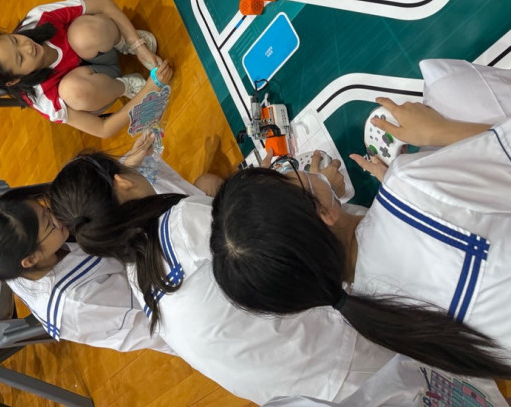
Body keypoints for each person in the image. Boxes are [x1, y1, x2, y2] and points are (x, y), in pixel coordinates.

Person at [210, 58, 511, 406]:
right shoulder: (412, 188)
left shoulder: (379, 324)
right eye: (289, 174)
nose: (295, 168)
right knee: (451, 87)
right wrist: (438, 134)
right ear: (323, 213)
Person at [47, 152, 396, 405]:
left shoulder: (140, 280)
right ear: (123, 181)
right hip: (348, 358)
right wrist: (319, 184)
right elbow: (295, 225)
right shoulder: (182, 222)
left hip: (297, 393)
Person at [0, 134, 218, 352]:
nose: (56, 217)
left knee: (205, 189)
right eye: (48, 223)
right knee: (207, 198)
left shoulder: (12, 257)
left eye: (44, 208)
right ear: (32, 258)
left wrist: (119, 175)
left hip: (146, 258)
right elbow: (157, 308)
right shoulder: (77, 302)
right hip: (177, 308)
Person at [0, 0, 173, 137]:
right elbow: (103, 129)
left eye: (14, 40)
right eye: (20, 59)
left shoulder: (39, 18)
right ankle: (125, 85)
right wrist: (149, 90)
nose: (27, 47)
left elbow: (104, 5)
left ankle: (122, 42)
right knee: (72, 91)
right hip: (99, 85)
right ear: (14, 80)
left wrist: (138, 45)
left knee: (83, 33)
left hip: (101, 50)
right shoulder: (43, 99)